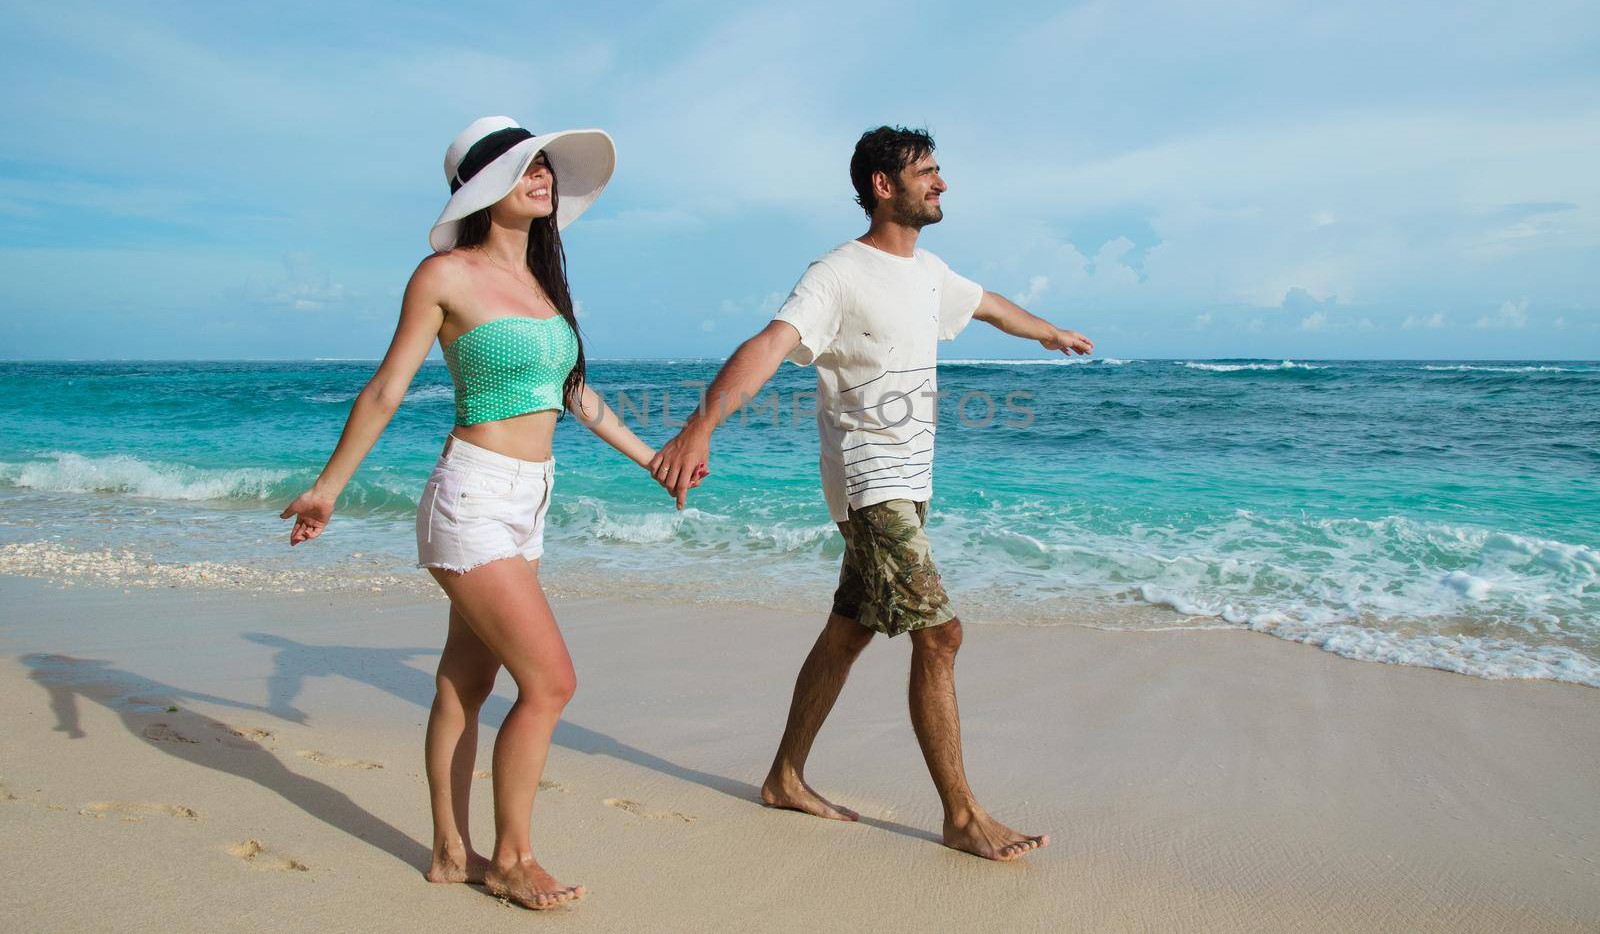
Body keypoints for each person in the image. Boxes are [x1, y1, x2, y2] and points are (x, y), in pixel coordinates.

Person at [649, 125, 1093, 861]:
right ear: (883, 185)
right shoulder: (837, 274)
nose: (942, 184)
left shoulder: (929, 272)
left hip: (911, 483)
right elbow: (767, 345)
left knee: (851, 630)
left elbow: (986, 304)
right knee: (940, 634)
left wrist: (1046, 332)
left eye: (939, 170)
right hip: (870, 480)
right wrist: (700, 428)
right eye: (927, 172)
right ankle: (961, 814)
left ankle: (785, 777)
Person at [280, 116, 679, 909]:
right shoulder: (443, 276)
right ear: (484, 187)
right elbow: (388, 388)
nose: (544, 177)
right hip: (471, 497)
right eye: (526, 167)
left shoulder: (542, 285)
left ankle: (447, 852)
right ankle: (512, 857)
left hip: (529, 502)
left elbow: (575, 398)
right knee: (551, 683)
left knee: (466, 679)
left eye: (545, 167)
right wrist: (330, 486)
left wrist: (653, 461)